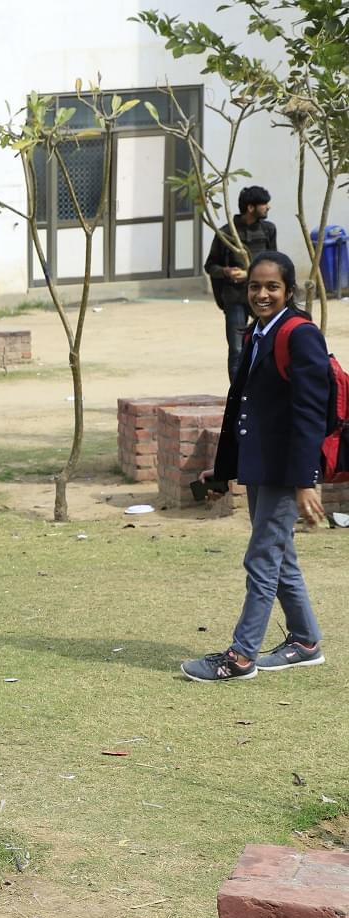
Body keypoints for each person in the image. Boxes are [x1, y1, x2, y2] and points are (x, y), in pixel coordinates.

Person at [181, 251, 330, 682]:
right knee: (278, 557)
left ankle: (241, 656)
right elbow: (239, 406)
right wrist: (223, 471)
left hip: (286, 471)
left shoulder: (299, 334)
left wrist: (306, 481)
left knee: (262, 557)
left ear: (288, 290)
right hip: (260, 466)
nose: (262, 294)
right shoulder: (257, 333)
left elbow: (309, 413)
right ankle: (304, 641)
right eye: (255, 287)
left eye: (272, 287)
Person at [205, 186, 277, 381]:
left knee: (269, 342)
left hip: (263, 297)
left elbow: (274, 262)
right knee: (237, 348)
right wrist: (225, 272)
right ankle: (237, 396)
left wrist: (250, 274)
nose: (268, 207)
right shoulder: (226, 233)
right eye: (264, 204)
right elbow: (210, 266)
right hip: (235, 297)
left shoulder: (268, 230)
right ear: (251, 207)